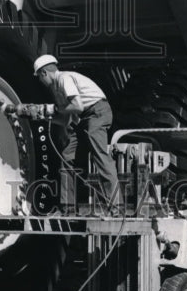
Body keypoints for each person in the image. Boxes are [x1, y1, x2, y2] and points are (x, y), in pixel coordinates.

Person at [21, 54, 120, 215]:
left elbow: (77, 106)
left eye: (39, 77)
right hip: (84, 117)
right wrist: (45, 116)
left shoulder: (64, 79)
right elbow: (66, 119)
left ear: (44, 73)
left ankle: (115, 207)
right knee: (67, 157)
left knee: (100, 156)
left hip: (97, 112)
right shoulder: (57, 88)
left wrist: (51, 110)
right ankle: (68, 209)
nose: (40, 81)